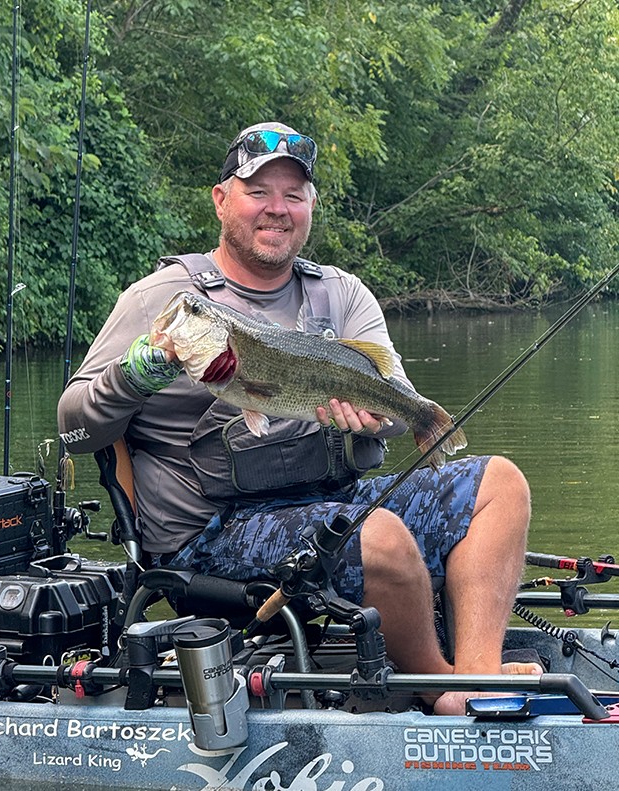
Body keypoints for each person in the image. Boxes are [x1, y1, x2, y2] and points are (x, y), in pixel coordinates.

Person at [58, 121, 540, 714]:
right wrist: (139, 372)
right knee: (382, 538)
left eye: (293, 194)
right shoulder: (163, 299)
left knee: (500, 486)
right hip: (210, 536)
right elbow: (73, 427)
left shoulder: (342, 295)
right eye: (258, 191)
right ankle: (443, 687)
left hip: (332, 503)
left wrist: (377, 420)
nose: (276, 209)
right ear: (221, 199)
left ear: (310, 205)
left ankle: (479, 673)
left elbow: (400, 405)